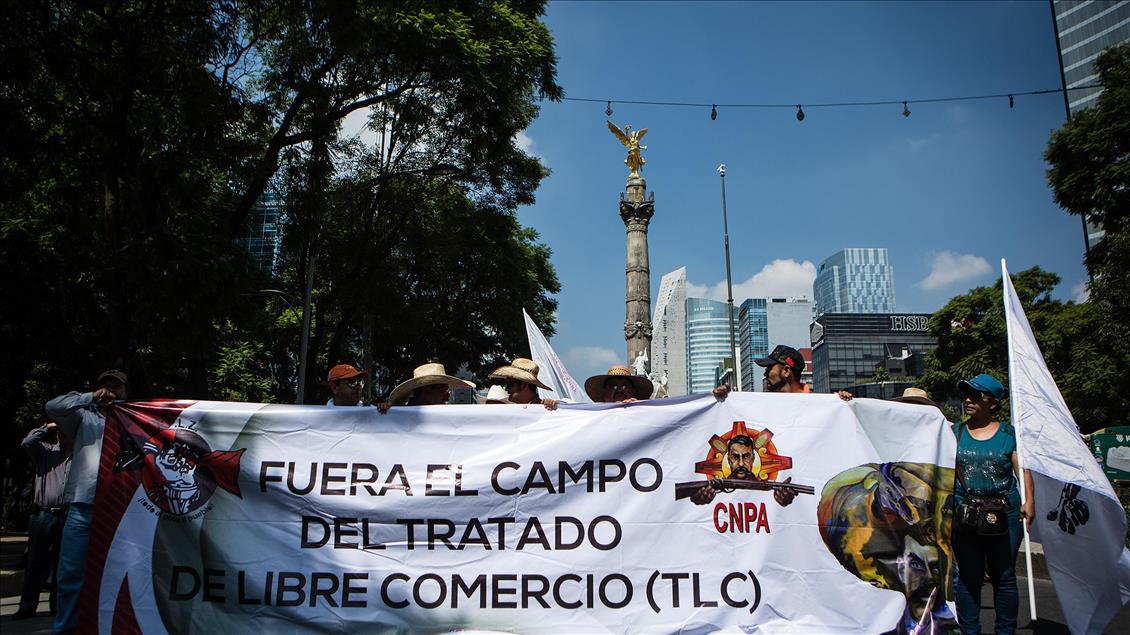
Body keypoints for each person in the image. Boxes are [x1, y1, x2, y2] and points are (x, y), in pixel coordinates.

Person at [950, 373, 1035, 635]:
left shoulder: (1010, 435)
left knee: (1004, 576)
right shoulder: (954, 433)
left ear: (993, 403)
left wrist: (1030, 501)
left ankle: (1005, 632)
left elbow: (1023, 470)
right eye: (966, 394)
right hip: (965, 513)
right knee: (969, 577)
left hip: (1005, 513)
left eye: (976, 396)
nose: (968, 400)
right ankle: (969, 632)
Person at [46, 369, 129, 634]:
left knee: (120, 574)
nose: (112, 391)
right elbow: (53, 407)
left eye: (117, 387)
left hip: (120, 509)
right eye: (107, 386)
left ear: (126, 391)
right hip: (83, 507)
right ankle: (66, 630)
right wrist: (90, 397)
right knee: (71, 574)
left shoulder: (133, 421)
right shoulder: (82, 416)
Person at [12, 422, 71, 620]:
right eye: (61, 432)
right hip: (43, 514)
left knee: (61, 563)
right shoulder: (45, 452)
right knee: (35, 562)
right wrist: (50, 426)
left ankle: (56, 606)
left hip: (66, 514)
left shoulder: (79, 456)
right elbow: (27, 442)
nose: (64, 436)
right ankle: (27, 606)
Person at [688, 434, 795, 507]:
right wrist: (697, 499)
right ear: (728, 459)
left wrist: (782, 499)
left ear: (753, 458)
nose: (740, 463)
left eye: (746, 456)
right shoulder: (716, 487)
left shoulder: (767, 488)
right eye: (735, 457)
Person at [381, 363, 476, 411]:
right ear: (426, 389)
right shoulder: (397, 415)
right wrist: (383, 412)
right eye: (443, 390)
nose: (448, 396)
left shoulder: (448, 416)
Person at [487, 358, 557, 410]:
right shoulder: (511, 410)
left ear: (524, 385)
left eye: (509, 384)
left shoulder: (546, 408)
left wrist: (554, 406)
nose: (507, 389)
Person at [583, 365, 654, 403]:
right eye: (614, 386)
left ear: (633, 392)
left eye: (625, 386)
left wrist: (637, 409)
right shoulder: (595, 418)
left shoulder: (644, 415)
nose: (619, 390)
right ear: (604, 393)